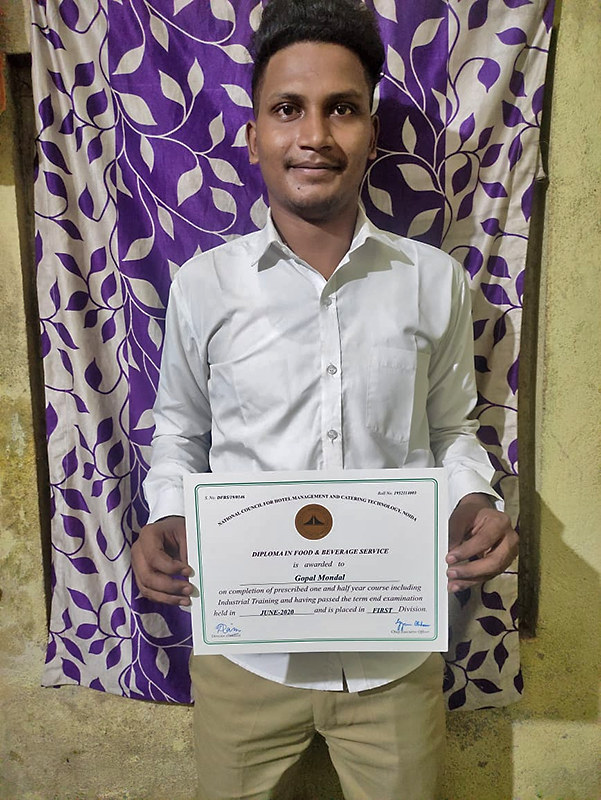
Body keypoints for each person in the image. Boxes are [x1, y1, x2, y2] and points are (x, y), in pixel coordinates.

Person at [131, 1, 518, 798]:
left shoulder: (433, 281)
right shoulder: (204, 285)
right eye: (287, 109)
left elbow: (450, 429)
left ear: (371, 133)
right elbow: (179, 430)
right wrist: (166, 513)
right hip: (244, 657)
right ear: (253, 137)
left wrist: (474, 500)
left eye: (341, 108)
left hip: (393, 658)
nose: (314, 134)